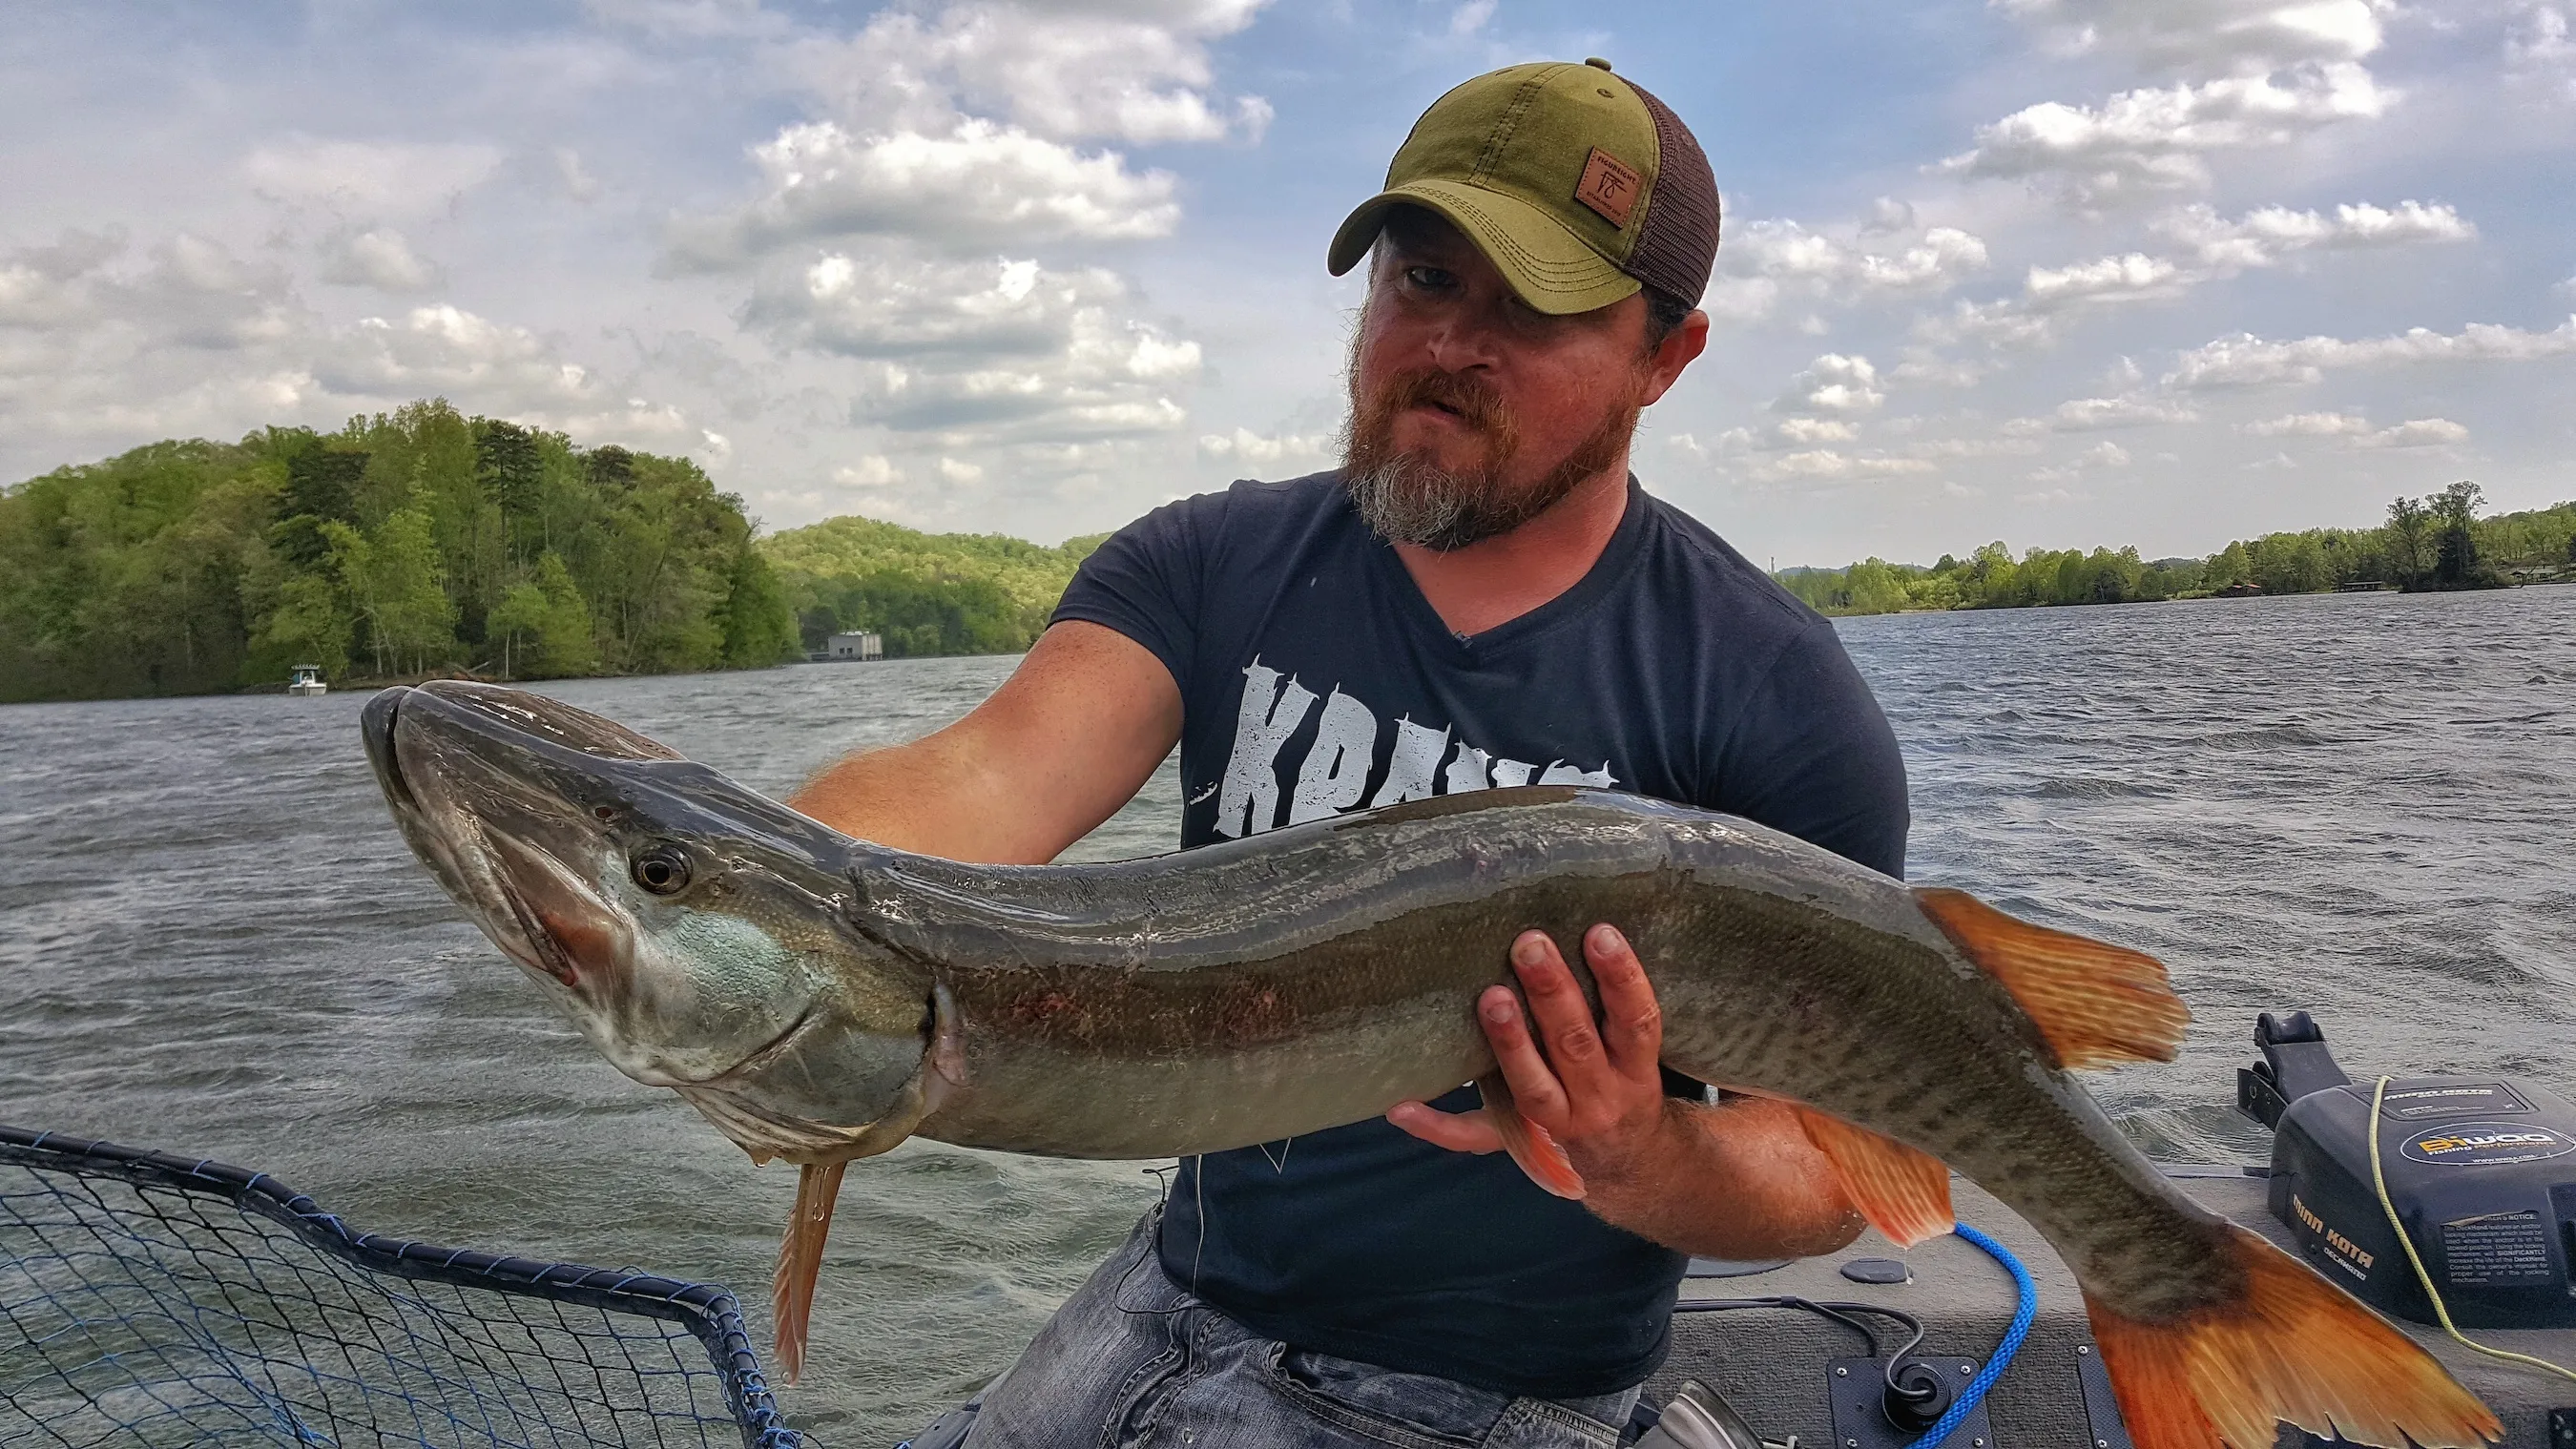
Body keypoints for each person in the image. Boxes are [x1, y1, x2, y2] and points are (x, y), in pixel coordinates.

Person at [794, 57, 1909, 1449]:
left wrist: (1646, 1151)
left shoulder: (1773, 697)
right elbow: (983, 779)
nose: (1449, 345)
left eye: (1536, 308)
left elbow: (1833, 1164)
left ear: (1664, 357)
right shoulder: (1209, 560)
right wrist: (753, 919)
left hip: (1494, 1396)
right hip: (1162, 1298)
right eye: (1423, 281)